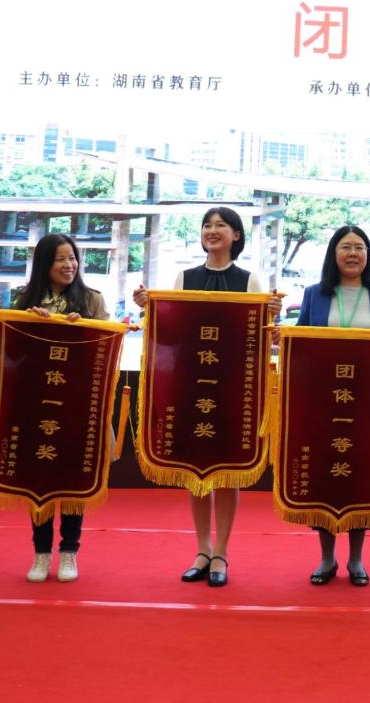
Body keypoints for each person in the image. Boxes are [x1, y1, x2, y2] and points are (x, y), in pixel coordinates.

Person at [133, 206, 280, 587]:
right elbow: (171, 333)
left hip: (232, 387)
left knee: (227, 471)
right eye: (207, 225)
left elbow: (257, 338)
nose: (212, 231)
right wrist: (150, 308)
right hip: (192, 383)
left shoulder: (249, 280)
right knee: (196, 470)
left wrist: (271, 316)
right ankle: (202, 549)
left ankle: (222, 552)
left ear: (236, 236)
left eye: (221, 226)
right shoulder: (185, 277)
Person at [296, 225, 370, 587]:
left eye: (359, 247)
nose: (353, 254)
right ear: (333, 254)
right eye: (345, 247)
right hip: (322, 401)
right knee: (324, 475)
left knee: (359, 477)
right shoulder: (314, 294)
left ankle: (356, 559)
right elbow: (300, 342)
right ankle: (326, 558)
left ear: (368, 255)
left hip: (365, 403)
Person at [13, 234, 110, 582]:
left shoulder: (92, 299)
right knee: (38, 478)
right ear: (44, 265)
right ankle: (41, 553)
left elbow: (105, 349)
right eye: (60, 259)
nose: (69, 265)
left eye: (72, 258)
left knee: (73, 478)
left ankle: (69, 551)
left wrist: (82, 331)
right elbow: (13, 357)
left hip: (78, 404)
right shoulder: (25, 300)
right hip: (36, 405)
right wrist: (30, 326)